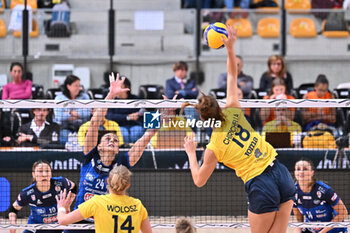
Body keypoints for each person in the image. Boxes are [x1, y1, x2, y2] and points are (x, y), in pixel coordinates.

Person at [183, 25, 295, 233]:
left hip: (260, 183)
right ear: (219, 105)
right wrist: (230, 48)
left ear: (204, 119)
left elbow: (198, 180)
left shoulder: (214, 148)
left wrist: (191, 153)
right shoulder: (233, 109)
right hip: (280, 172)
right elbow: (232, 74)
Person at [65, 73, 162, 233]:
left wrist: (160, 112)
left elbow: (147, 137)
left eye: (115, 140)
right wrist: (111, 94)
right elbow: (95, 123)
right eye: (107, 138)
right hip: (79, 222)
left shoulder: (122, 163)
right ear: (99, 146)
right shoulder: (90, 156)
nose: (111, 140)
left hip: (104, 225)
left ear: (118, 149)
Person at [56, 165, 152, 233]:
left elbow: (62, 221)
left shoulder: (97, 202)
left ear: (107, 181)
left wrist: (61, 207)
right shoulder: (138, 205)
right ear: (128, 185)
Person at [8, 160, 76, 233]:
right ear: (33, 174)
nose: (44, 174)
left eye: (47, 171)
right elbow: (13, 210)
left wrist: (69, 201)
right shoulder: (27, 193)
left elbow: (74, 187)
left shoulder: (61, 182)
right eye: (40, 171)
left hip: (58, 226)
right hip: (35, 227)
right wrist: (13, 225)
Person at [293, 158, 348, 233]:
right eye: (298, 169)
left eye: (305, 169)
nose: (301, 172)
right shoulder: (293, 192)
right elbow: (298, 219)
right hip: (311, 228)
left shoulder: (324, 190)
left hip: (333, 229)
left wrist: (322, 232)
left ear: (312, 172)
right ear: (295, 172)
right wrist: (298, 231)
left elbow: (343, 213)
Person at [106, 76, 145, 145]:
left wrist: (139, 114)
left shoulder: (136, 99)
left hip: (135, 125)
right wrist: (127, 117)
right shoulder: (112, 101)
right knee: (123, 133)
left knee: (136, 131)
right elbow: (110, 116)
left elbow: (143, 113)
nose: (117, 87)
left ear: (127, 87)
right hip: (119, 126)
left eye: (120, 85)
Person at [53, 75, 91, 145]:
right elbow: (59, 117)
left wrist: (69, 113)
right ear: (68, 86)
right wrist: (77, 113)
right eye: (76, 86)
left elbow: (88, 113)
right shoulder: (59, 98)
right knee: (64, 138)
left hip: (82, 127)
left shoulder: (85, 97)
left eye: (79, 85)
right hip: (64, 127)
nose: (78, 88)